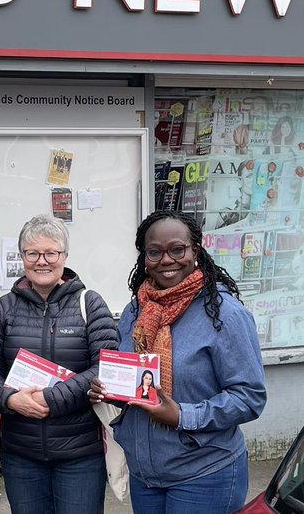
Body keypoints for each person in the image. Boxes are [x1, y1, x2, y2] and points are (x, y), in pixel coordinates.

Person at [90, 210, 267, 514]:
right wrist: (110, 391)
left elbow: (250, 397)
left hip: (204, 473)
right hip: (146, 476)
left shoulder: (224, 314)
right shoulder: (138, 311)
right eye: (155, 252)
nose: (166, 260)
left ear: (195, 252)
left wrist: (183, 415)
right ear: (144, 257)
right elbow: (136, 383)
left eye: (177, 249)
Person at [0, 214, 118, 514]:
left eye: (51, 253)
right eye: (32, 253)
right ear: (22, 257)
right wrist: (11, 399)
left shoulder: (90, 304)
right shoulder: (4, 309)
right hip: (21, 455)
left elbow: (106, 368)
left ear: (65, 256)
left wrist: (49, 398)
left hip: (80, 454)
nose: (41, 261)